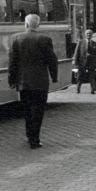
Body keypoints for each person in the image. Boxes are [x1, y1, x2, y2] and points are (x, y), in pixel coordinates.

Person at [8, 14, 58, 149]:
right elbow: (52, 60)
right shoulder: (45, 39)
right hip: (40, 82)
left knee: (27, 110)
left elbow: (12, 62)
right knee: (38, 111)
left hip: (23, 82)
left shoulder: (16, 39)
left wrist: (12, 80)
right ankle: (34, 140)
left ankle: (29, 136)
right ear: (38, 25)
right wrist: (54, 77)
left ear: (26, 24)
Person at [73, 29, 96, 94]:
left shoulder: (94, 43)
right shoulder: (81, 42)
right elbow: (76, 53)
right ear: (85, 35)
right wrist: (75, 62)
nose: (88, 35)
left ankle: (93, 90)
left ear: (92, 35)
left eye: (90, 34)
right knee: (80, 77)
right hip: (82, 62)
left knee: (92, 77)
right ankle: (78, 89)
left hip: (91, 63)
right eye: (87, 33)